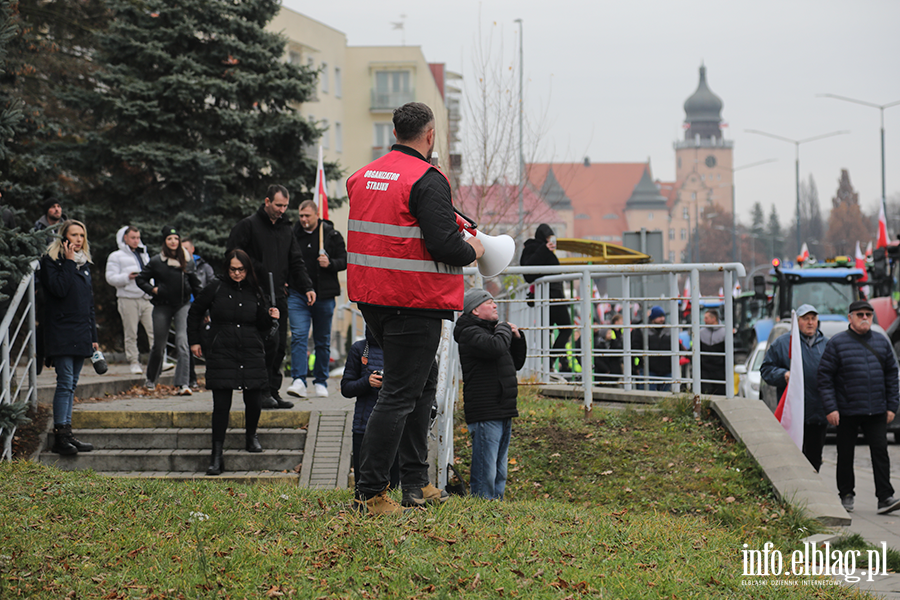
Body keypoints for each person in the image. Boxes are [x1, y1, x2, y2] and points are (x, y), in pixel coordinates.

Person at [346, 101, 482, 514]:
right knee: (400, 395)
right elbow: (445, 244)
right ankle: (370, 495)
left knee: (423, 384)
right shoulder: (427, 178)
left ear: (394, 132)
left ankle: (415, 483)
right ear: (430, 134)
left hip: (373, 298)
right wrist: (473, 248)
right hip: (414, 301)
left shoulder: (363, 176)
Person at [188, 249, 279, 476]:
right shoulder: (215, 288)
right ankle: (216, 455)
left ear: (247, 270)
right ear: (226, 268)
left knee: (254, 398)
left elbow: (263, 324)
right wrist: (195, 341)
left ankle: (251, 436)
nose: (237, 274)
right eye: (233, 269)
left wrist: (271, 316)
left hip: (250, 349)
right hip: (222, 351)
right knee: (221, 405)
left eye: (241, 269)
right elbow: (195, 312)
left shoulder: (255, 291)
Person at [227, 184, 315, 410]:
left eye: (285, 206)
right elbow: (233, 256)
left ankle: (273, 391)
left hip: (280, 295)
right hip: (254, 294)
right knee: (265, 344)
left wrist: (307, 286)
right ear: (267, 202)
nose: (282, 210)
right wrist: (258, 270)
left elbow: (296, 260)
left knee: (279, 347)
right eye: (278, 205)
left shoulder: (286, 229)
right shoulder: (248, 226)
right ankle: (260, 392)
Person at [818, 300, 900, 515]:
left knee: (880, 453)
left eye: (868, 314)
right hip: (846, 410)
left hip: (877, 410)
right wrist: (831, 408)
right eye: (860, 314)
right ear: (850, 317)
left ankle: (885, 497)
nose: (865, 318)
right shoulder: (837, 343)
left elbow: (892, 375)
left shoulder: (882, 342)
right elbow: (825, 377)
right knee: (845, 454)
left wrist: (892, 406)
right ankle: (846, 494)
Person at [453, 288, 526, 500]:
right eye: (489, 303)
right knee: (486, 469)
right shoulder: (469, 333)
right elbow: (496, 347)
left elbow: (516, 363)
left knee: (500, 468)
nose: (495, 306)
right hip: (485, 410)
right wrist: (504, 328)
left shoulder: (490, 332)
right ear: (475, 310)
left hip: (502, 407)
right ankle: (482, 506)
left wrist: (517, 337)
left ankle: (496, 508)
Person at [40, 219, 97, 455]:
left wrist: (93, 335)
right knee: (64, 383)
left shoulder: (84, 266)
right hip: (61, 331)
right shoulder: (51, 262)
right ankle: (60, 436)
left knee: (72, 384)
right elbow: (59, 289)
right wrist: (69, 261)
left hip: (81, 331)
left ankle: (68, 432)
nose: (78, 240)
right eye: (74, 235)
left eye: (81, 236)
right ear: (63, 238)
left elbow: (89, 304)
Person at [286, 200, 347, 399]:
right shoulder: (293, 235)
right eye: (301, 216)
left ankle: (321, 381)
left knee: (322, 340)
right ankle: (298, 380)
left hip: (324, 295)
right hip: (298, 293)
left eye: (307, 216)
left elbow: (345, 260)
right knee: (299, 336)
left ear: (317, 214)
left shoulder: (331, 235)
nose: (303, 220)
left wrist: (330, 263)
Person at [760, 304, 829, 472]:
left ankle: (812, 490)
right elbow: (766, 370)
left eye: (813, 319)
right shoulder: (783, 344)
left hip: (818, 413)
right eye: (805, 319)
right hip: (793, 413)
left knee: (814, 457)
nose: (810, 323)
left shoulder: (827, 345)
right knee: (793, 456)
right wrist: (783, 375)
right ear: (797, 321)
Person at [136, 226, 201, 395]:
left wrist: (204, 309)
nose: (173, 242)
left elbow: (196, 285)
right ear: (165, 242)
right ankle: (151, 380)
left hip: (183, 305)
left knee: (182, 342)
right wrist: (153, 289)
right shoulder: (157, 261)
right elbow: (141, 279)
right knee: (159, 345)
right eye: (169, 239)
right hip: (162, 306)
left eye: (176, 239)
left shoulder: (187, 260)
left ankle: (183, 383)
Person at [340, 327, 400, 489]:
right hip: (364, 426)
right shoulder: (359, 349)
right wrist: (367, 382)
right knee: (363, 482)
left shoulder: (401, 349)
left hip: (394, 426)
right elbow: (346, 388)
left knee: (393, 484)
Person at [520, 224, 571, 372]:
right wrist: (544, 249)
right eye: (548, 238)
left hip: (547, 295)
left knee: (547, 330)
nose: (550, 241)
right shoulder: (534, 248)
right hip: (551, 295)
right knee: (566, 328)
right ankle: (548, 364)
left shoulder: (536, 249)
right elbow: (528, 273)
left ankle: (547, 366)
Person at [105, 226, 154, 375]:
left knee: (154, 331)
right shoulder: (116, 256)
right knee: (131, 332)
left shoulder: (144, 254)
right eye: (133, 237)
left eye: (138, 237)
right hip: (127, 298)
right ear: (125, 238)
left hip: (146, 298)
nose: (136, 241)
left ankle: (158, 360)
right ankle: (134, 362)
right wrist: (128, 277)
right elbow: (110, 278)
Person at [182, 237, 215, 389]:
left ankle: (212, 378)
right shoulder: (177, 266)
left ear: (192, 249)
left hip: (201, 309)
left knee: (207, 344)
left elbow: (211, 288)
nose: (184, 252)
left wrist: (208, 309)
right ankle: (190, 379)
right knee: (187, 343)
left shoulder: (204, 267)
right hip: (183, 308)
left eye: (186, 249)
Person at [631, 305, 672, 391]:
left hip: (667, 370)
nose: (662, 319)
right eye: (659, 317)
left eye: (663, 316)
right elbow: (635, 347)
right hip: (648, 370)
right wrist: (641, 363)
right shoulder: (641, 330)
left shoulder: (670, 329)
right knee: (648, 397)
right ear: (653, 318)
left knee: (667, 398)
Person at [699, 309, 726, 396]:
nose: (704, 320)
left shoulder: (725, 333)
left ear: (713, 318)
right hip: (705, 371)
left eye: (706, 318)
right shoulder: (700, 333)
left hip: (720, 371)